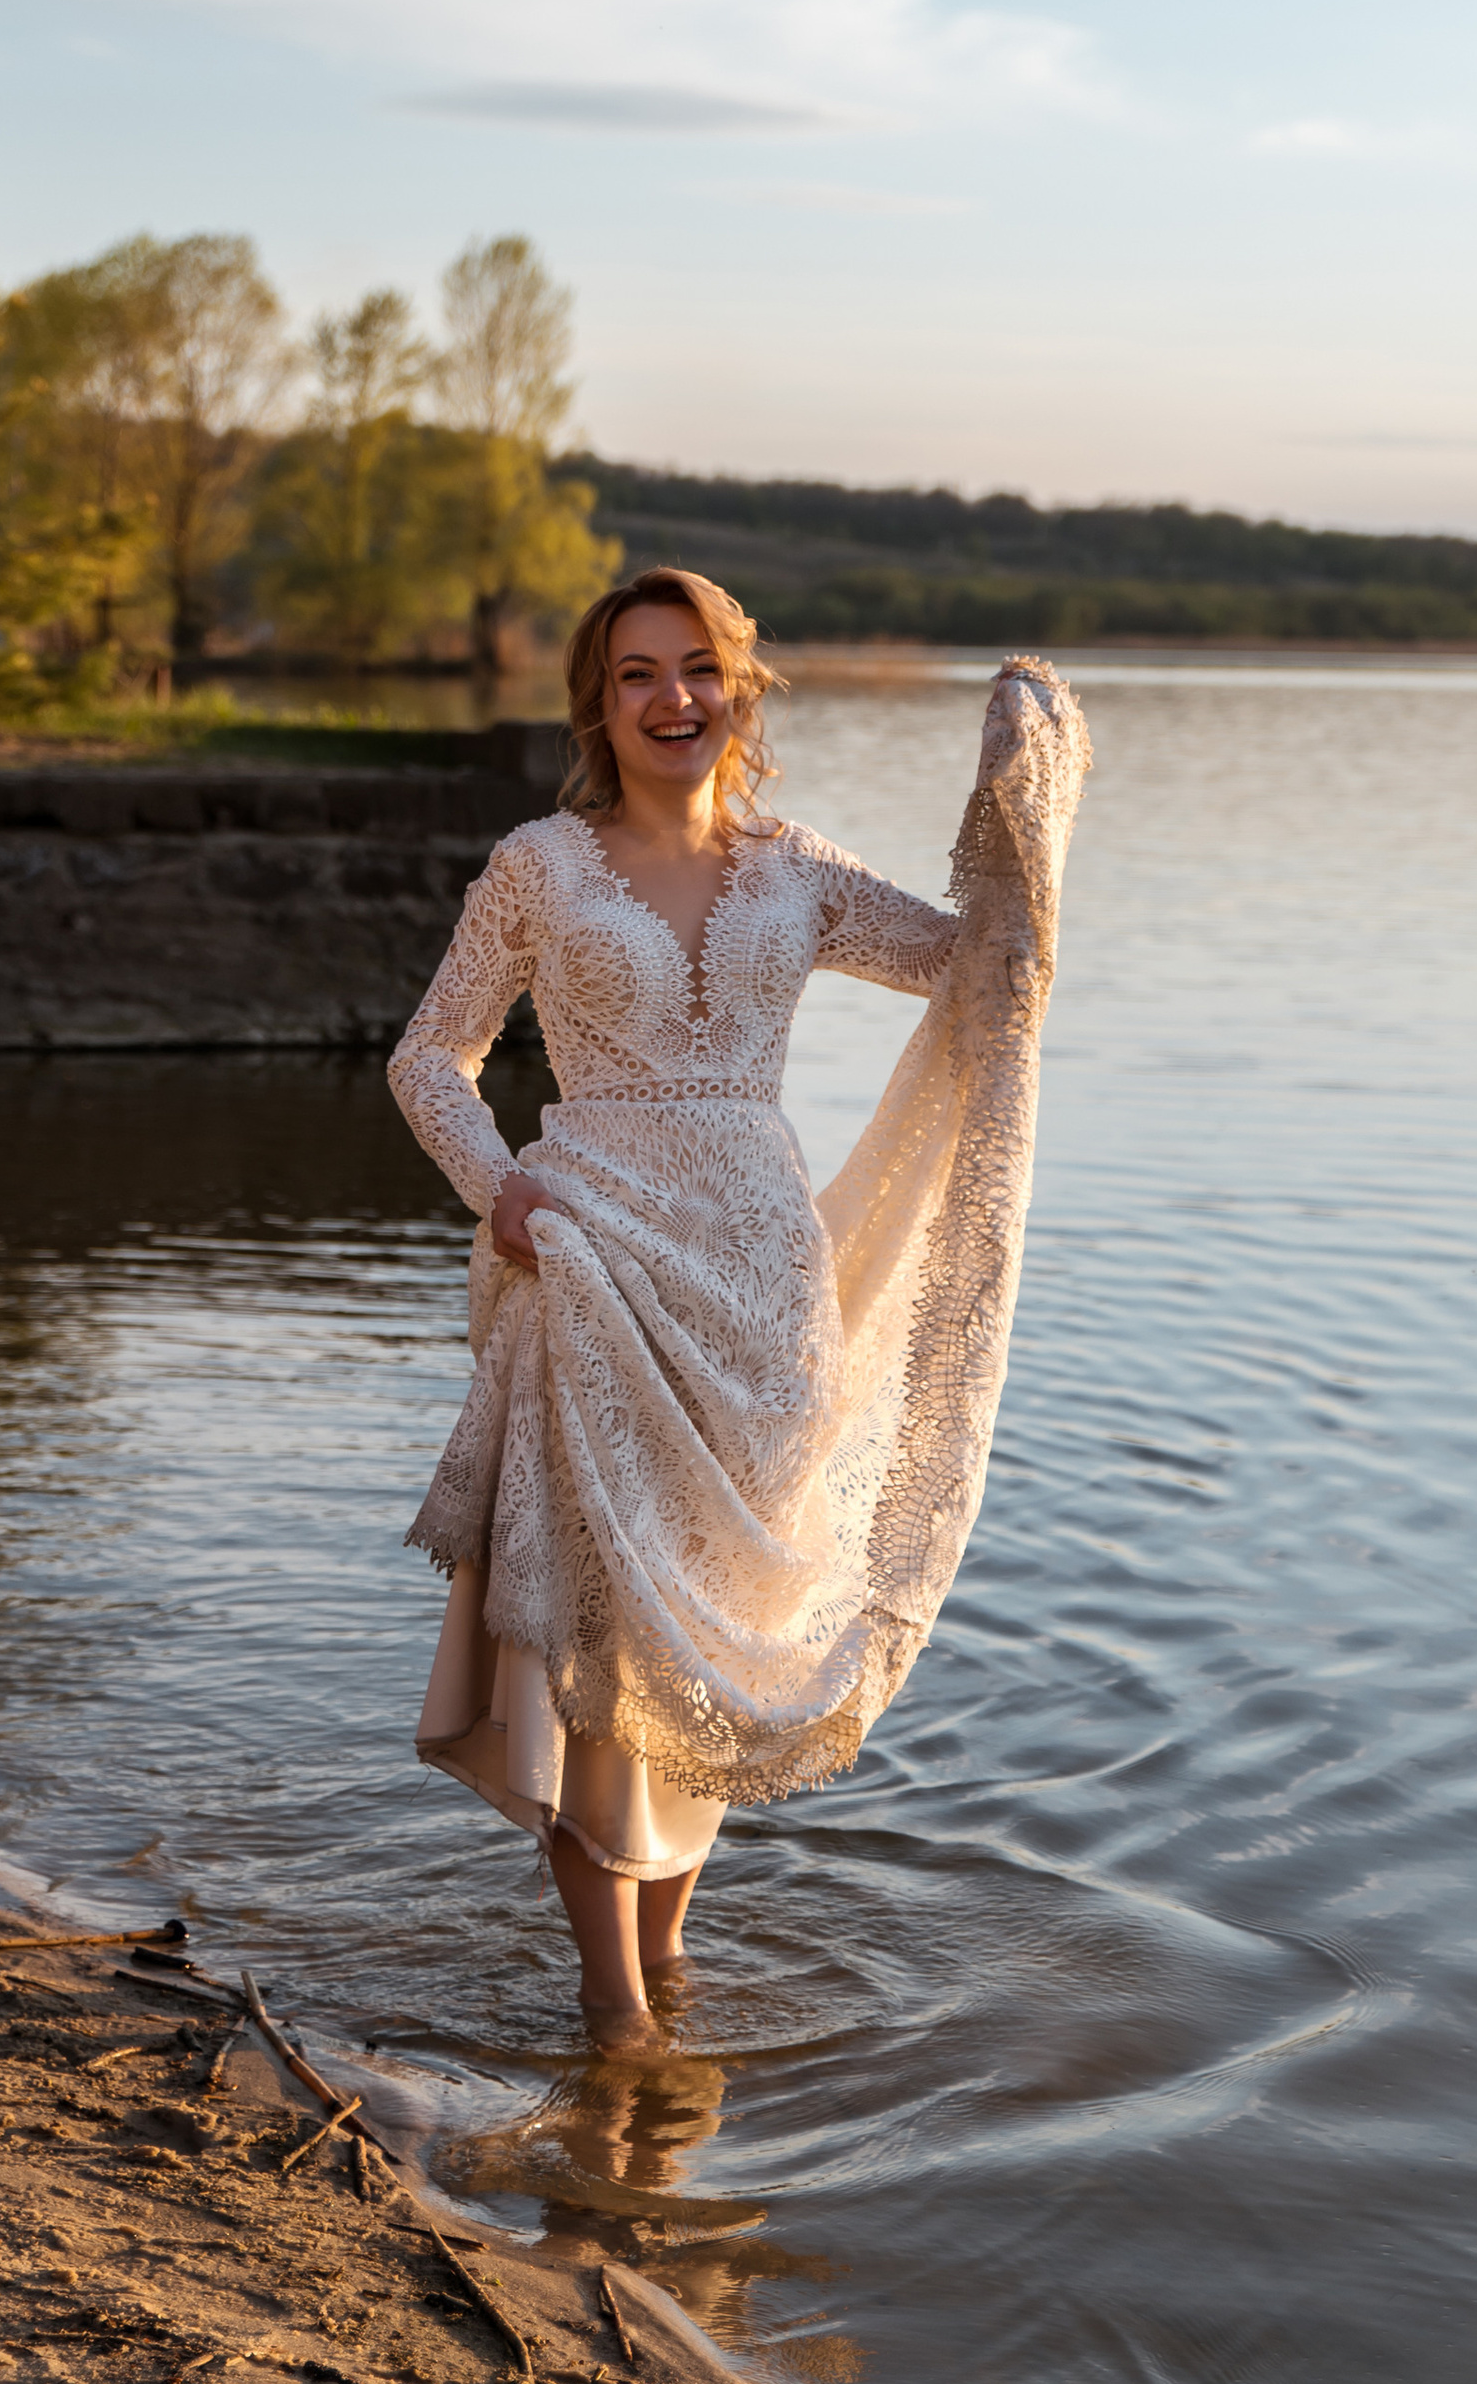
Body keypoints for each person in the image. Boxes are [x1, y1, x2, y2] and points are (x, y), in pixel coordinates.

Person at [389, 567, 1088, 2050]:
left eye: (697, 669)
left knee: (713, 1630)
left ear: (741, 688)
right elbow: (426, 1061)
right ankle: (614, 2001)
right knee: (602, 1633)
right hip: (590, 1260)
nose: (673, 700)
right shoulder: (540, 867)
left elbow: (983, 976)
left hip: (766, 1293)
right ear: (601, 703)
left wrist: (1025, 793)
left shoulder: (796, 870)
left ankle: (667, 1945)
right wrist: (499, 1189)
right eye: (637, 674)